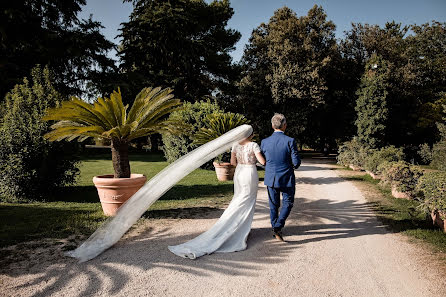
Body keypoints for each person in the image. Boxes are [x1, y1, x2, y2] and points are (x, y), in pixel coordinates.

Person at [168, 131, 266, 259]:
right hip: (250, 173)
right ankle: (240, 231)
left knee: (239, 199)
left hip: (239, 172)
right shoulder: (254, 145)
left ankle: (236, 228)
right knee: (247, 202)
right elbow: (262, 162)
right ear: (250, 135)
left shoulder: (235, 145)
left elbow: (233, 162)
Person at [261, 113, 301, 242]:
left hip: (271, 178)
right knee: (288, 203)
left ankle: (275, 227)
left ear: (272, 125)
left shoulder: (264, 142)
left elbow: (262, 160)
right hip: (287, 178)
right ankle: (278, 227)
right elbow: (296, 163)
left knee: (273, 205)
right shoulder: (290, 141)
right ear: (285, 125)